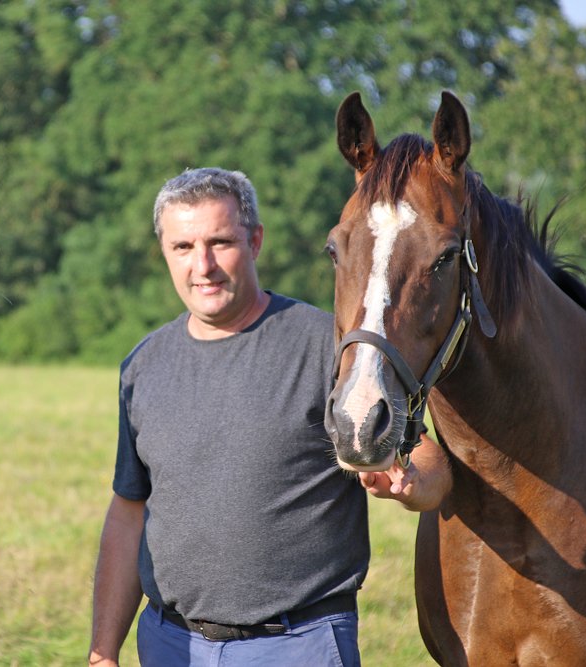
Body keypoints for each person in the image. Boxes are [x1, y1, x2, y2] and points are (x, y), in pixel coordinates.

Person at [87, 168, 452, 666]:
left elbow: (430, 463)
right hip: (171, 644)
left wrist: (412, 485)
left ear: (255, 241)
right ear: (164, 252)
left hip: (297, 644)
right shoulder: (143, 365)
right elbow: (129, 511)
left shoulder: (328, 347)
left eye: (220, 242)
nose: (203, 265)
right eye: (183, 247)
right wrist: (104, 650)